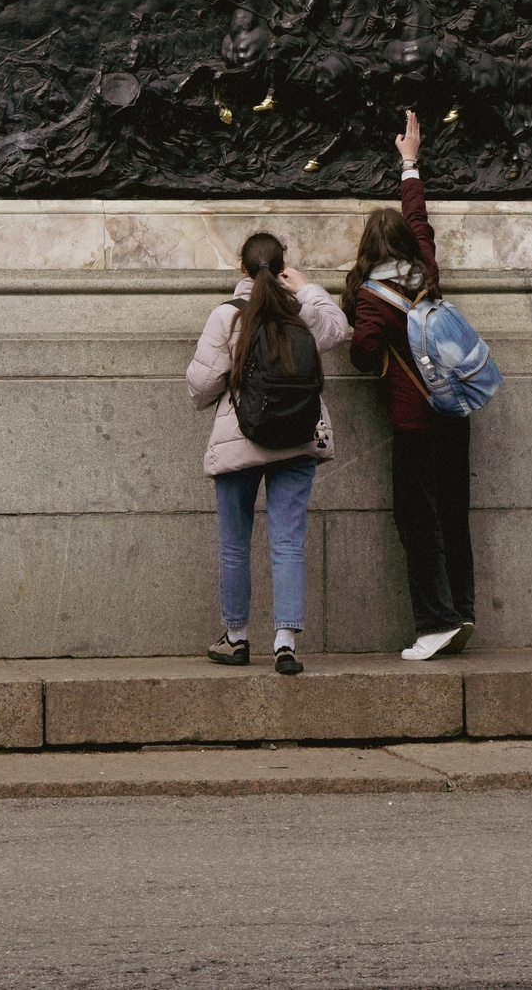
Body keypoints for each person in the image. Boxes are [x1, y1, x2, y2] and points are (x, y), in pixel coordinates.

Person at [186, 230, 349, 674]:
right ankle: (285, 642)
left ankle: (236, 638)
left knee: (235, 544)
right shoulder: (302, 311)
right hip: (297, 439)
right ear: (282, 268)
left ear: (241, 268)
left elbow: (201, 388)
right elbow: (339, 329)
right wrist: (308, 286)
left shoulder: (227, 317)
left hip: (240, 439)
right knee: (288, 542)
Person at [349, 110, 475, 661]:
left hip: (414, 419)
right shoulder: (424, 268)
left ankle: (435, 621)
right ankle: (463, 610)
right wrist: (409, 164)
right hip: (456, 410)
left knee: (415, 520)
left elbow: (362, 356)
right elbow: (419, 219)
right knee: (453, 513)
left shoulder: (373, 299)